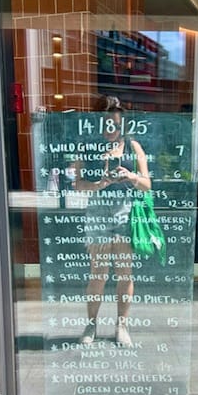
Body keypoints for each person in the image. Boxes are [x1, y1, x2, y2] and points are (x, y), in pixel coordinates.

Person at [74, 95, 151, 347]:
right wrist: (99, 184)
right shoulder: (87, 147)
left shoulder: (132, 146)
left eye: (116, 125)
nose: (111, 130)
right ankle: (91, 324)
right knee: (98, 273)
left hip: (125, 213)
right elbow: (78, 185)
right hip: (97, 213)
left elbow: (147, 185)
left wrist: (131, 176)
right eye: (107, 124)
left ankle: (122, 326)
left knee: (124, 273)